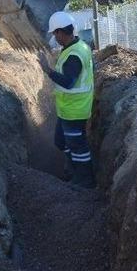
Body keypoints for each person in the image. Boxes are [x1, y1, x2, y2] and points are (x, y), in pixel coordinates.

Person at [38, 11, 96, 188]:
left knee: (78, 146)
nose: (54, 38)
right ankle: (72, 168)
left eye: (55, 34)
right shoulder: (75, 47)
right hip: (67, 109)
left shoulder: (74, 55)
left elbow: (69, 82)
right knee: (60, 141)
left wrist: (47, 70)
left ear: (61, 32)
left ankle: (85, 179)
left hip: (75, 110)